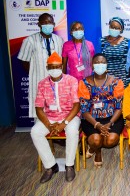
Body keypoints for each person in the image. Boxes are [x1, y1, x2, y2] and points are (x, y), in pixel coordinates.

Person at [31, 52, 80, 183]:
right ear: (47, 68)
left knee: (72, 131)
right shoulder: (42, 84)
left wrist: (64, 123)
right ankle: (51, 166)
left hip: (69, 115)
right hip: (50, 117)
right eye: (51, 67)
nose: (55, 70)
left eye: (57, 66)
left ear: (62, 66)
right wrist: (48, 125)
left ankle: (69, 165)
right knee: (35, 132)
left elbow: (76, 105)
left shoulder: (71, 80)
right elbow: (39, 108)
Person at [78, 53, 124, 168]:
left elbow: (119, 107)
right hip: (91, 119)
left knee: (111, 141)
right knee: (95, 139)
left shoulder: (116, 82)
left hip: (112, 118)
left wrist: (109, 123)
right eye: (97, 63)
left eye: (102, 62)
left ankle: (94, 147)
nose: (100, 65)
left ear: (107, 65)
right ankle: (97, 151)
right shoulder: (84, 83)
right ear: (92, 66)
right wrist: (97, 125)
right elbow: (84, 109)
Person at [18, 13, 64, 118]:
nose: (47, 25)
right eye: (44, 22)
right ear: (39, 24)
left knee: (57, 109)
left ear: (54, 24)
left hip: (56, 81)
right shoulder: (29, 40)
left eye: (50, 22)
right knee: (39, 113)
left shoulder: (59, 40)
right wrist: (35, 72)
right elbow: (24, 60)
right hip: (38, 81)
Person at [100, 17, 130, 86]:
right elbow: (98, 59)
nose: (114, 29)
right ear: (109, 26)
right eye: (112, 27)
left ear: (121, 30)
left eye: (117, 28)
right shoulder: (102, 41)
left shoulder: (127, 42)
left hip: (123, 79)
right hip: (106, 79)